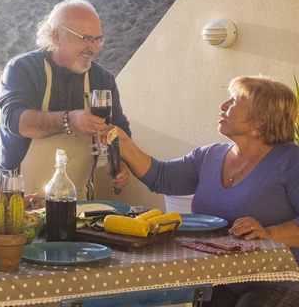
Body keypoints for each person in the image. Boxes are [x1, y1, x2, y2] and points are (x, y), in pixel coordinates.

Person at [109, 75, 299, 306]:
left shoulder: (291, 161)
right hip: (219, 278)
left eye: (235, 100)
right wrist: (121, 140)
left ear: (260, 119)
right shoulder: (210, 155)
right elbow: (161, 177)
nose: (223, 106)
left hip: (278, 279)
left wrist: (269, 234)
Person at [0, 0, 131, 200]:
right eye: (85, 38)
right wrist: (70, 120)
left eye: (97, 39)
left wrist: (119, 162)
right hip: (20, 201)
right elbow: (17, 122)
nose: (93, 48)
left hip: (80, 202)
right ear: (57, 36)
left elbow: (120, 129)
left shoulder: (103, 79)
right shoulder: (21, 69)